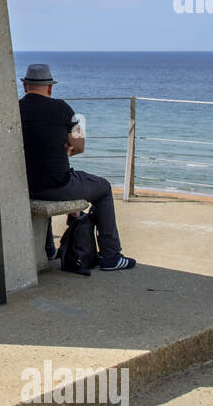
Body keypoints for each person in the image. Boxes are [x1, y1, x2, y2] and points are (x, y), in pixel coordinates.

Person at [18, 64, 137, 270]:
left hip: (25, 186)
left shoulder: (15, 108)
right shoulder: (62, 109)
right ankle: (111, 256)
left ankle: (48, 250)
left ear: (25, 86)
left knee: (40, 174)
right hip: (57, 185)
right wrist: (64, 146)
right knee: (103, 188)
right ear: (50, 88)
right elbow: (80, 145)